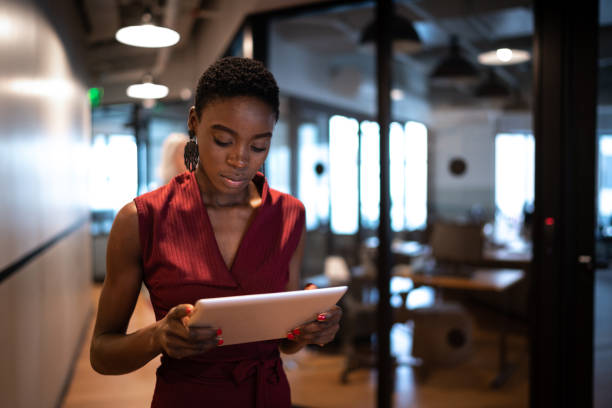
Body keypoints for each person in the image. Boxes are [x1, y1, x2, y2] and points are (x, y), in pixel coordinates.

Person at [89, 57, 342, 408]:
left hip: (268, 396)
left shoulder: (288, 214)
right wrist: (157, 337)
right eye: (223, 140)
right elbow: (102, 353)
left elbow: (283, 340)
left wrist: (308, 329)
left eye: (258, 146)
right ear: (194, 122)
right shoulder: (141, 219)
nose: (240, 160)